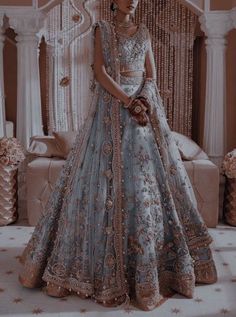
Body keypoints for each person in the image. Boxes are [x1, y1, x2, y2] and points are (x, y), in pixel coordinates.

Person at [18, 0, 217, 311]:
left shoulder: (145, 31)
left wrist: (142, 100)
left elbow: (150, 74)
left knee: (146, 182)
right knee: (101, 179)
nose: (133, 0)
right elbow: (100, 72)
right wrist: (128, 101)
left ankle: (153, 268)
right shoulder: (103, 29)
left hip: (142, 111)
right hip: (111, 110)